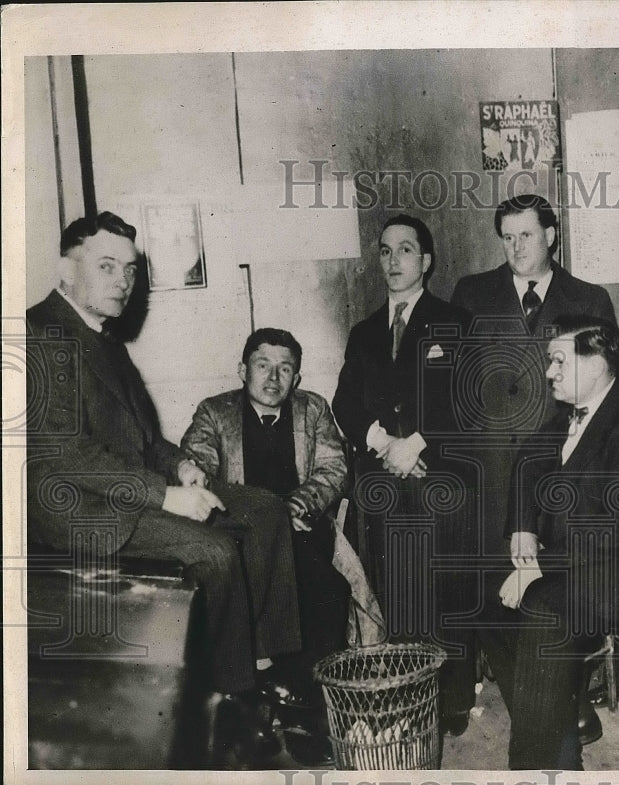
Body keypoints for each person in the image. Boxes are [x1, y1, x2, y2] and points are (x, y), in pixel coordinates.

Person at [25, 212, 303, 740]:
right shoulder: (40, 332)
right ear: (66, 268)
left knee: (266, 510)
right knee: (214, 552)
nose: (123, 282)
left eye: (129, 270)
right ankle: (232, 701)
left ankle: (264, 663)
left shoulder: (104, 340)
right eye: (107, 267)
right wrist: (167, 496)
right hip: (80, 510)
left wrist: (180, 464)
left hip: (124, 490)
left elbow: (144, 441)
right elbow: (64, 456)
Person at [479, 315, 619, 770]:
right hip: (577, 559)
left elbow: (617, 528)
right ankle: (561, 732)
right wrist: (525, 528)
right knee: (485, 596)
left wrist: (537, 567)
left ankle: (531, 765)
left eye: (559, 361)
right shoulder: (568, 418)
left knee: (544, 608)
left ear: (599, 362)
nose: (549, 372)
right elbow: (528, 460)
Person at [332, 214, 477, 736]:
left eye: (405, 251)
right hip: (384, 475)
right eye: (386, 251)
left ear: (427, 262)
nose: (394, 261)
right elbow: (345, 402)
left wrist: (417, 443)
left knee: (444, 579)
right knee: (394, 583)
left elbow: (466, 399)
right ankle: (406, 692)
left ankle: (453, 698)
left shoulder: (454, 322)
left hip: (438, 469)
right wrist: (383, 443)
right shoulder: (364, 331)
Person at [181, 328, 383, 699]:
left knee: (326, 590)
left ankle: (314, 703)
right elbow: (198, 463)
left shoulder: (313, 408)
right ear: (242, 370)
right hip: (240, 532)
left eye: (285, 369)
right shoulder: (215, 412)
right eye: (263, 365)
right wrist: (264, 514)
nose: (273, 378)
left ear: (297, 378)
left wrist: (293, 506)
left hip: (303, 524)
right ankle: (260, 690)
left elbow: (333, 470)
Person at [450, 193, 617, 569]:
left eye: (526, 235)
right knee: (493, 583)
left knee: (553, 584)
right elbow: (453, 383)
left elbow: (608, 392)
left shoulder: (589, 300)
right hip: (490, 465)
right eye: (508, 238)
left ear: (551, 236)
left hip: (558, 463)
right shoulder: (472, 294)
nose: (516, 247)